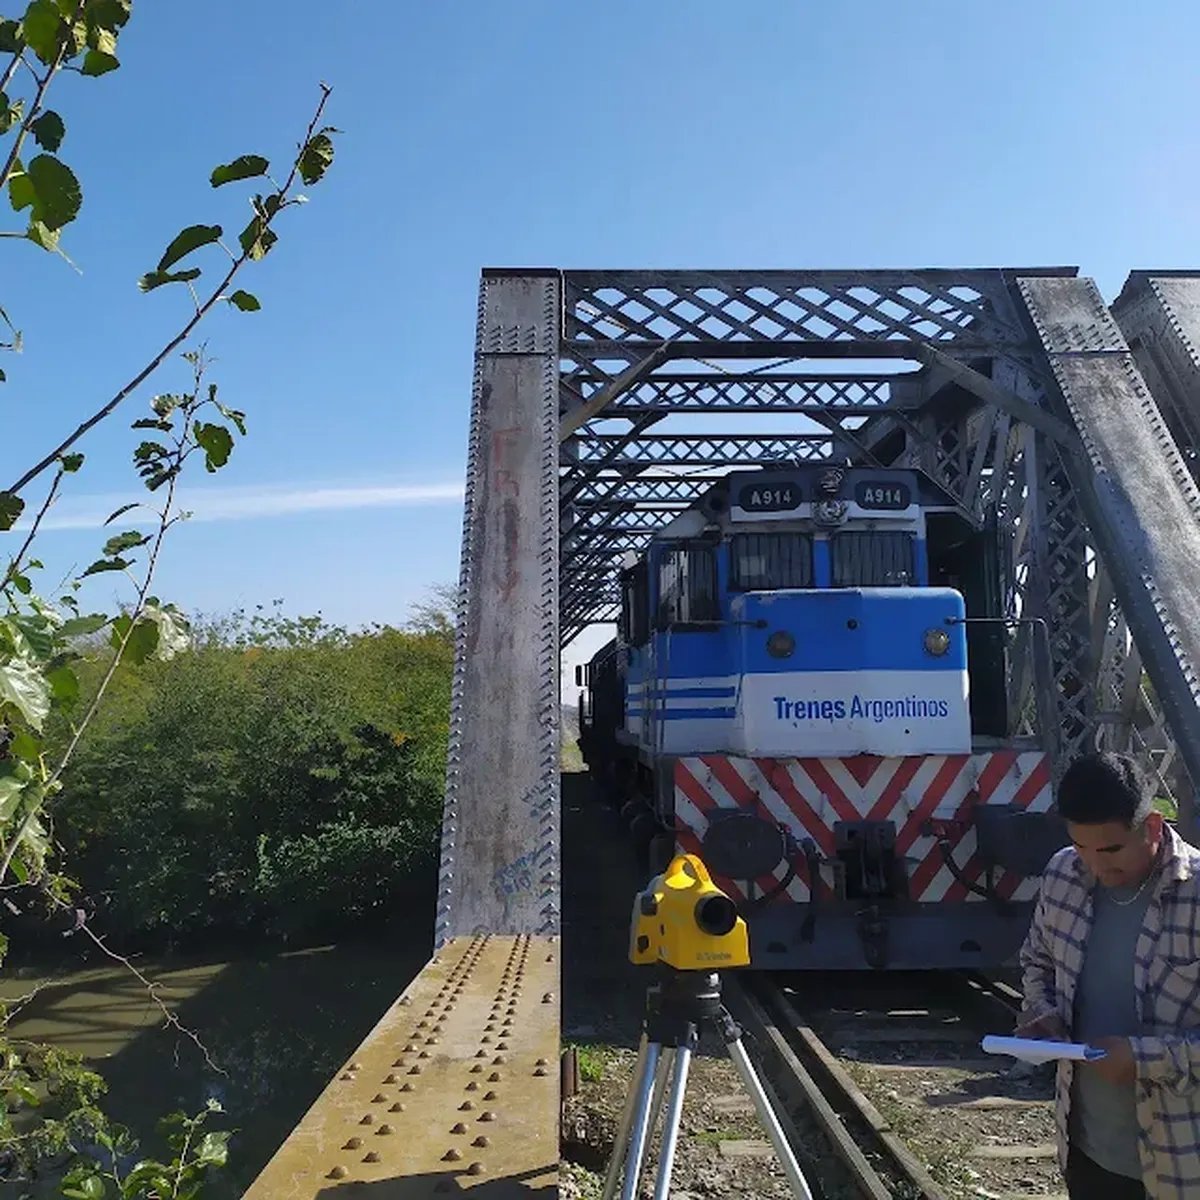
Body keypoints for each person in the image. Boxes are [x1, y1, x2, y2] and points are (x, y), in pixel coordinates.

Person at [1017, 751, 1200, 1199]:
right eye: (1082, 846)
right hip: (1087, 1151)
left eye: (1112, 849)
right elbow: (1037, 963)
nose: (1096, 865)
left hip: (1182, 1159)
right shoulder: (1063, 874)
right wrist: (1044, 1015)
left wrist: (1145, 1059)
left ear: (1153, 827)